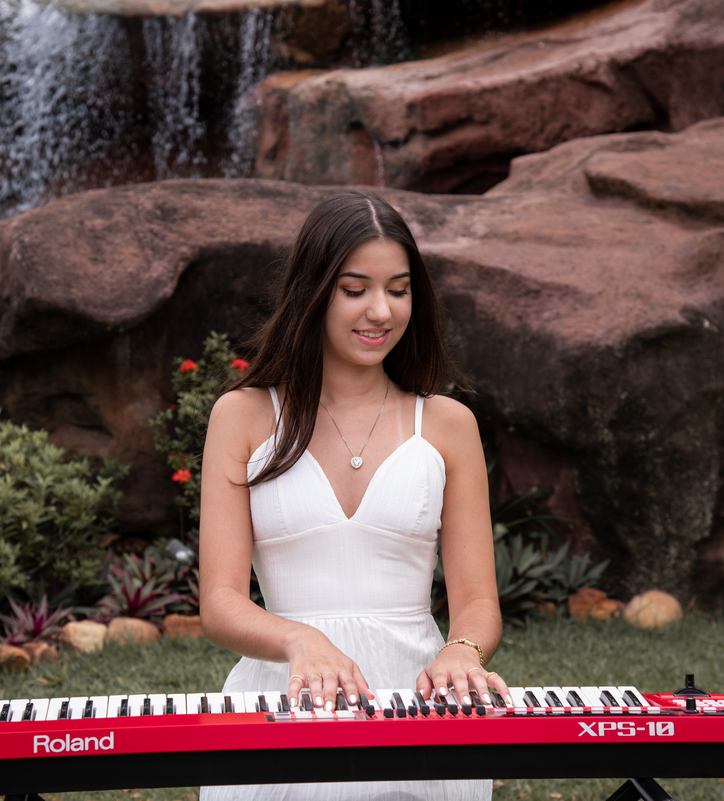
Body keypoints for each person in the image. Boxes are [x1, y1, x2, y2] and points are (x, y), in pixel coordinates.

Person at [198, 190, 508, 800]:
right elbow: (220, 602)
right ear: (313, 293)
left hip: (419, 700)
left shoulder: (447, 425)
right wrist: (300, 639)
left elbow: (477, 599)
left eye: (399, 289)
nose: (381, 311)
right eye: (354, 289)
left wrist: (462, 651)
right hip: (284, 697)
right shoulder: (243, 417)